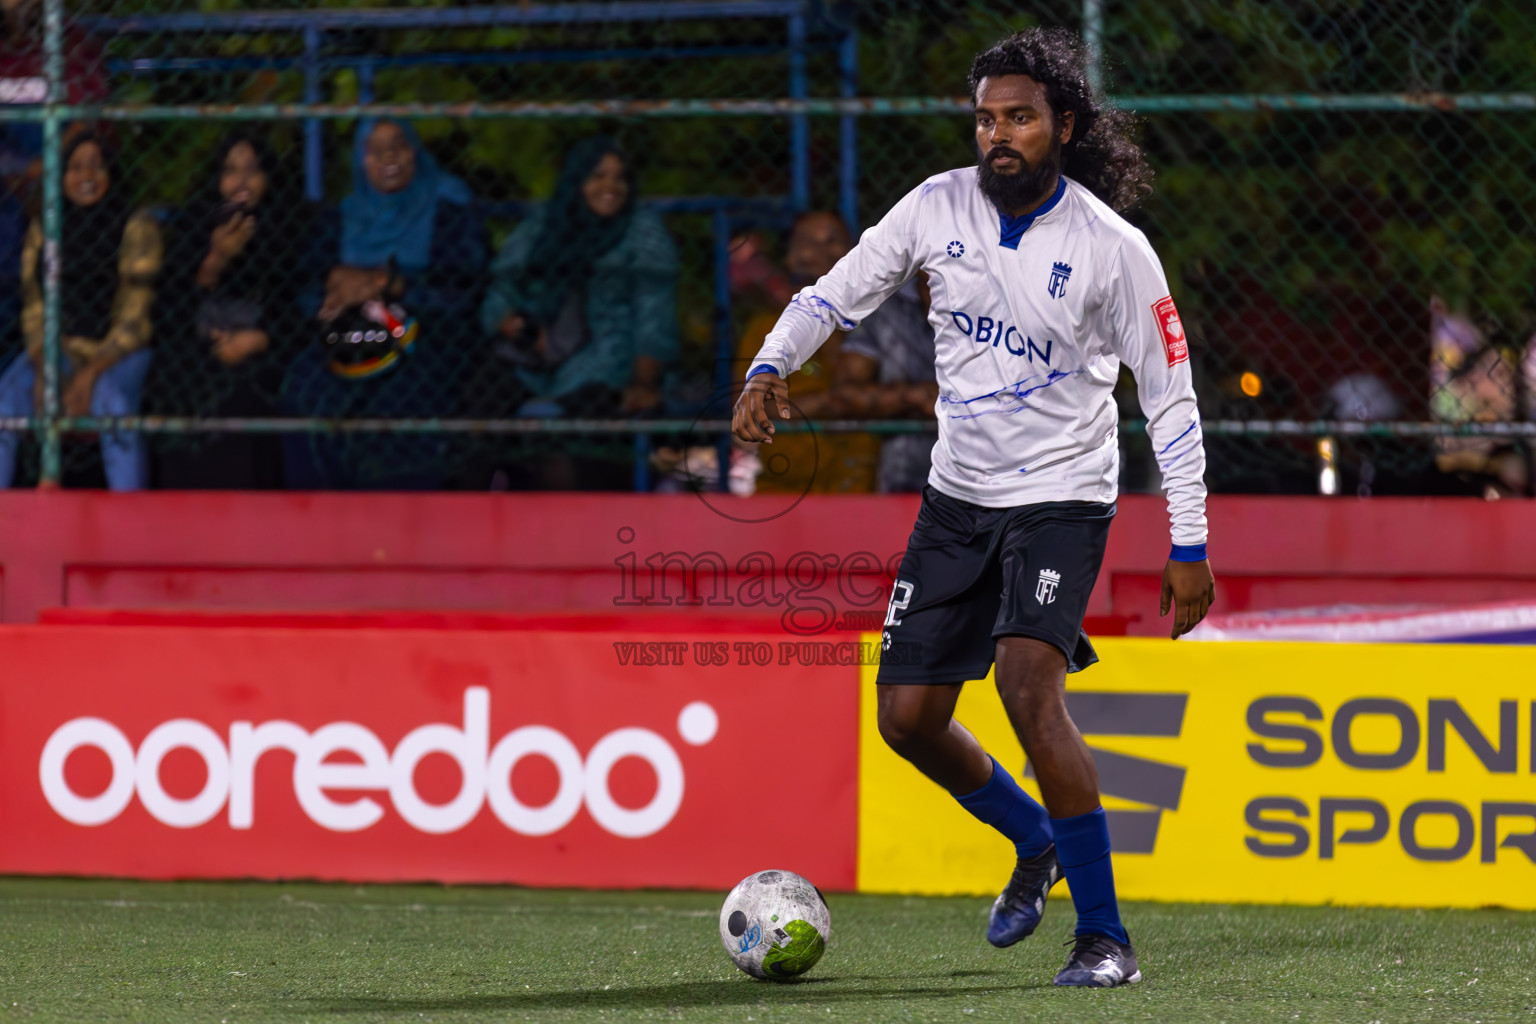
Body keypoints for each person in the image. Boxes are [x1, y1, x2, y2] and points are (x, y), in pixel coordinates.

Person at [732, 29, 1214, 988]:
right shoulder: (935, 206)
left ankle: (1104, 938)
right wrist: (770, 362)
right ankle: (1035, 842)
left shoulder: (1115, 250)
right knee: (906, 720)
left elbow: (1169, 394)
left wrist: (1189, 538)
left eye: (1021, 117)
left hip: (1061, 501)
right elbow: (835, 296)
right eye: (987, 117)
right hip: (957, 500)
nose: (999, 134)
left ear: (1063, 127)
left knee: (1028, 691)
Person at [281, 119, 485, 490]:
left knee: (403, 394)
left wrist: (390, 285)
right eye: (374, 149)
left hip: (429, 327)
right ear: (361, 160)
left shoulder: (448, 206)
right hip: (353, 329)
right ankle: (321, 517)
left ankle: (400, 520)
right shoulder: (343, 215)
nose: (387, 156)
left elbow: (463, 288)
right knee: (306, 385)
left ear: (415, 152)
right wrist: (335, 291)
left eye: (398, 145)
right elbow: (310, 286)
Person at [474, 136, 678, 488]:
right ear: (576, 181)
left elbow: (653, 315)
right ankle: (465, 514)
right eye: (597, 176)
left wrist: (643, 381)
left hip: (606, 359)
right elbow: (501, 286)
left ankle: (569, 530)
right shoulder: (545, 223)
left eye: (619, 177)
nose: (610, 186)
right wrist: (509, 322)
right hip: (535, 356)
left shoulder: (641, 230)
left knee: (572, 436)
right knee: (481, 397)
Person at [0, 132, 161, 489]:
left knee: (114, 405)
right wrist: (45, 367)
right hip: (58, 349)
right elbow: (33, 305)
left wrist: (89, 375)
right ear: (61, 176)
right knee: (4, 403)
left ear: (112, 173)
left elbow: (135, 320)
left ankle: (130, 525)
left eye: (96, 166)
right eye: (75, 167)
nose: (86, 175)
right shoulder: (46, 227)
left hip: (117, 350)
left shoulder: (137, 225)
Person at [150, 133, 308, 489]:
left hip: (262, 346)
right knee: (177, 383)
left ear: (269, 177)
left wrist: (259, 338)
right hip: (198, 344)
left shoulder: (291, 225)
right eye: (230, 170)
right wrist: (215, 260)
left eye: (252, 170)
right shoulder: (196, 222)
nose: (240, 181)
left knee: (247, 395)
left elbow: (301, 308)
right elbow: (169, 308)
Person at [732, 210, 879, 495]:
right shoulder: (766, 329)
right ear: (790, 258)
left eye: (832, 240)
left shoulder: (877, 323)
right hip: (784, 490)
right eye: (808, 241)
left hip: (862, 492)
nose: (822, 249)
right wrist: (828, 403)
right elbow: (749, 407)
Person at [823, 271, 939, 492]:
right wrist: (913, 397)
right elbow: (842, 397)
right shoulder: (886, 310)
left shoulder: (1003, 304)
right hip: (905, 484)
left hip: (990, 483)